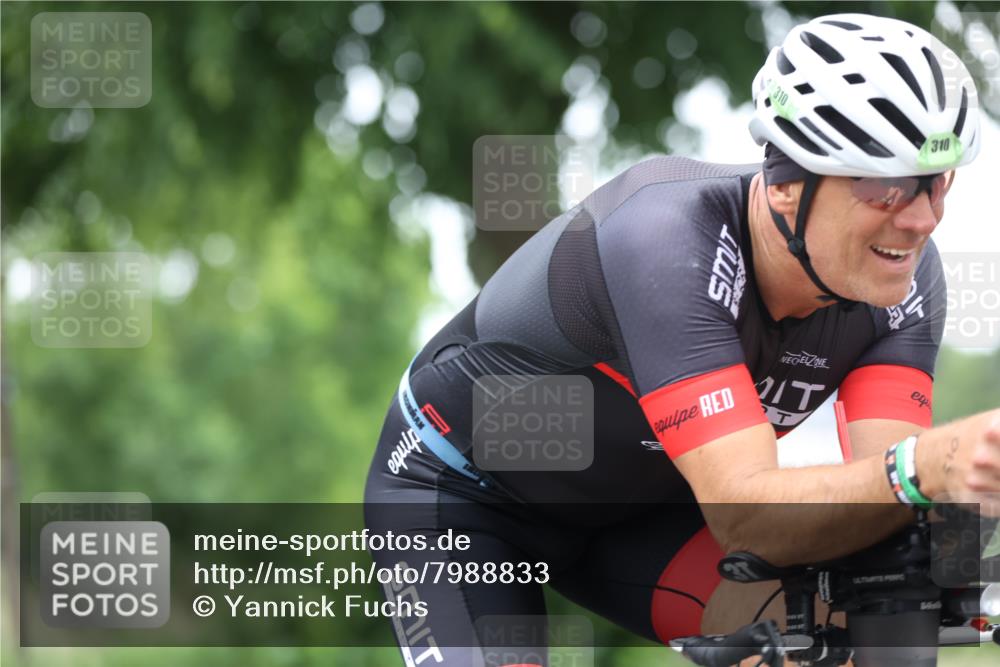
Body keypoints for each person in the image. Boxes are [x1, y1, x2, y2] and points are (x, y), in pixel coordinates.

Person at [364, 12, 999, 667]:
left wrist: (962, 527)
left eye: (938, 179)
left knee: (844, 625)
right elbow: (750, 513)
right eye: (887, 186)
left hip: (653, 508)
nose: (924, 218)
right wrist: (932, 463)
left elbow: (891, 497)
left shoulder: (902, 279)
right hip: (464, 495)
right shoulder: (668, 242)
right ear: (786, 187)